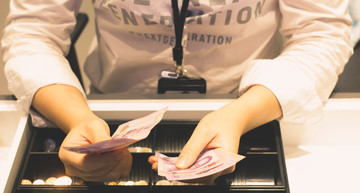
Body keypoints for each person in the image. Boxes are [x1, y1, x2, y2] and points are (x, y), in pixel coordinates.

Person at [1, 0, 353, 182]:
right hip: (109, 103)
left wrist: (242, 113)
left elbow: (322, 33)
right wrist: (76, 117)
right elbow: (32, 33)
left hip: (249, 106)